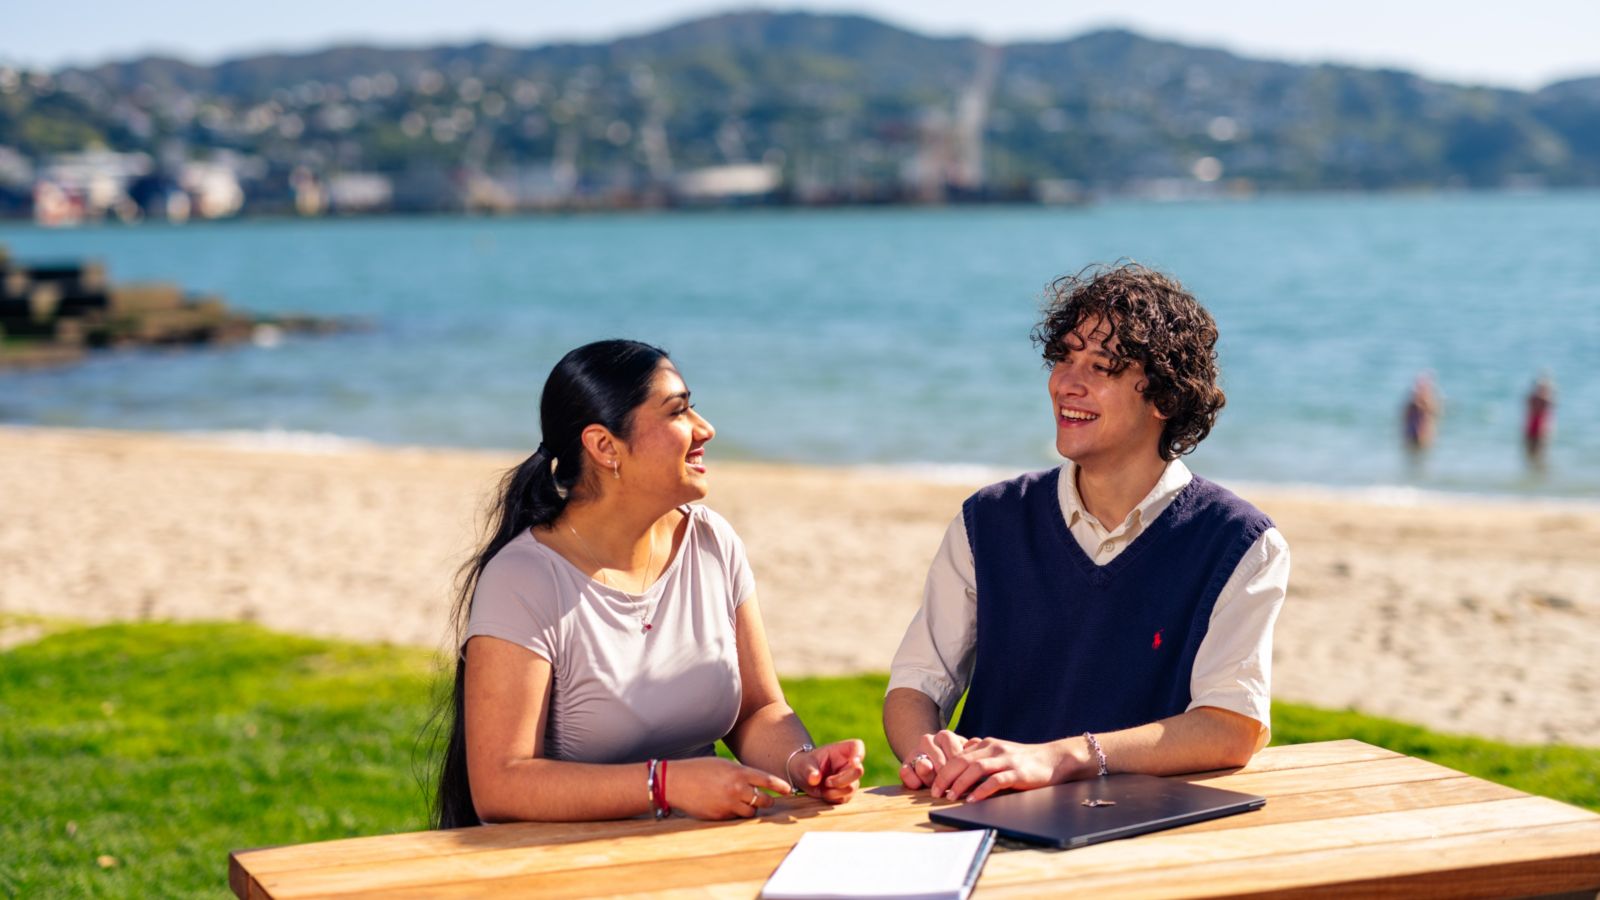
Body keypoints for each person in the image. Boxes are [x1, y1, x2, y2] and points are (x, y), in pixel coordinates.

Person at [882, 263, 1290, 803]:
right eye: (1064, 358)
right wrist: (928, 753)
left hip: (1142, 836)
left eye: (1101, 367)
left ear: (1164, 398)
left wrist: (1060, 758)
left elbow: (1230, 726)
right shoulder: (989, 520)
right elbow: (915, 684)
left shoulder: (1240, 543)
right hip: (981, 814)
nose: (1066, 383)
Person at [433, 339, 864, 826]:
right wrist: (665, 784)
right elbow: (501, 785)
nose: (705, 429)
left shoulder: (712, 542)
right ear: (603, 447)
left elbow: (757, 709)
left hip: (697, 853)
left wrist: (800, 763)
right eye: (678, 412)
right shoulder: (523, 579)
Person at [1402, 372, 1441, 455]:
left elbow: (1434, 415)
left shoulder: (1428, 401)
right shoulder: (1412, 403)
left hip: (1422, 435)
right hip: (1414, 434)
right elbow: (1405, 418)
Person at [1524, 373, 1556, 467]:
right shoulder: (1532, 399)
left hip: (1542, 433)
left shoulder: (1546, 401)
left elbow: (1553, 405)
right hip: (1530, 431)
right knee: (1529, 456)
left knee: (1541, 456)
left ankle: (1541, 472)